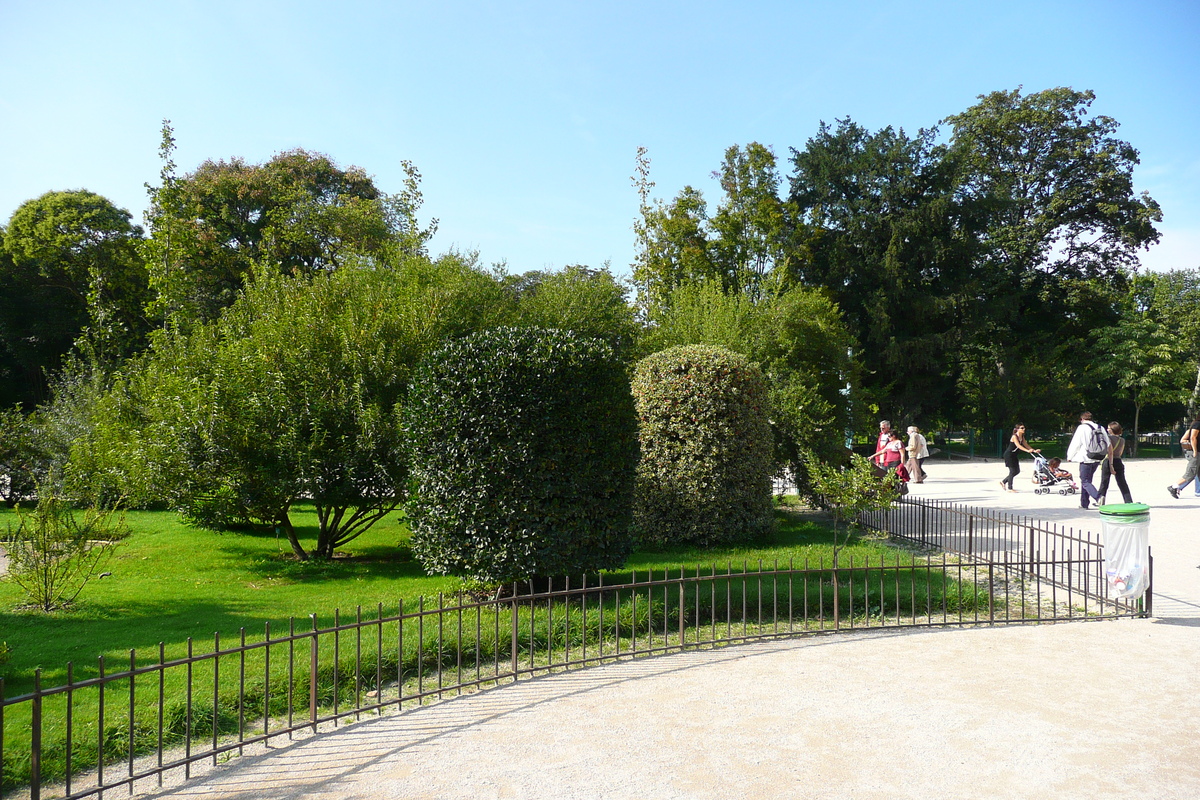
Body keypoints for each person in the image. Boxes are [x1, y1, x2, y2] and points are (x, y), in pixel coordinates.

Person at [1066, 411, 1108, 509]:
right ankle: (1084, 503)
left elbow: (1075, 443)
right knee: (1087, 481)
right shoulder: (1100, 427)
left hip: (1086, 458)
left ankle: (1098, 497)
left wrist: (1070, 456)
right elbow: (1107, 442)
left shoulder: (1082, 428)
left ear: (1082, 419)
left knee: (1085, 481)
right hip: (1097, 457)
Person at [1097, 421, 1133, 505]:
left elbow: (1110, 452)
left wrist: (1111, 465)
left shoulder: (1108, 438)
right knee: (1122, 483)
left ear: (1112, 430)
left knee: (1104, 482)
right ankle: (1128, 500)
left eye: (1108, 428)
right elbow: (1120, 452)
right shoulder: (1122, 440)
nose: (1107, 429)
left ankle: (1100, 499)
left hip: (1109, 460)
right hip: (1118, 460)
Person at [1166, 416, 1200, 499]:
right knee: (1190, 473)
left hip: (1197, 452)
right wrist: (1195, 450)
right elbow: (1192, 437)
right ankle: (1173, 487)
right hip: (1195, 452)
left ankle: (1197, 491)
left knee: (1197, 473)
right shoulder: (1197, 424)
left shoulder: (1195, 424)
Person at [1000, 424, 1039, 492]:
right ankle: (1010, 488)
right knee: (1012, 471)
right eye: (1022, 428)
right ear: (1017, 429)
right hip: (1009, 455)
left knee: (1017, 471)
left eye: (1024, 428)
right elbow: (1018, 445)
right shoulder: (1014, 436)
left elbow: (1026, 445)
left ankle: (1003, 482)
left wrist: (1034, 450)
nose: (1024, 429)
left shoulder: (1022, 437)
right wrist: (1027, 451)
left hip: (1014, 455)